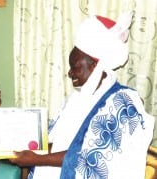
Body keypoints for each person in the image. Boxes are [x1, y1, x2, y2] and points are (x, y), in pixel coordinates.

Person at [9, 12, 155, 179]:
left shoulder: (122, 102)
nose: (70, 73)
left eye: (75, 67)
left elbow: (93, 156)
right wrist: (27, 150)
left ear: (94, 66)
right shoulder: (75, 100)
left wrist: (36, 158)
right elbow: (58, 145)